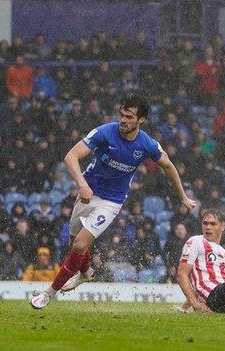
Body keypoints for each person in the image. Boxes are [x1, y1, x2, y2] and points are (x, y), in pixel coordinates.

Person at [30, 91, 196, 309]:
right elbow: (70, 156)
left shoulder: (147, 145)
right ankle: (86, 273)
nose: (123, 121)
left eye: (129, 117)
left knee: (80, 245)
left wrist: (182, 195)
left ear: (141, 120)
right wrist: (82, 184)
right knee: (74, 246)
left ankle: (48, 294)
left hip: (111, 201)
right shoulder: (104, 132)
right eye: (122, 115)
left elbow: (169, 166)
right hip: (88, 193)